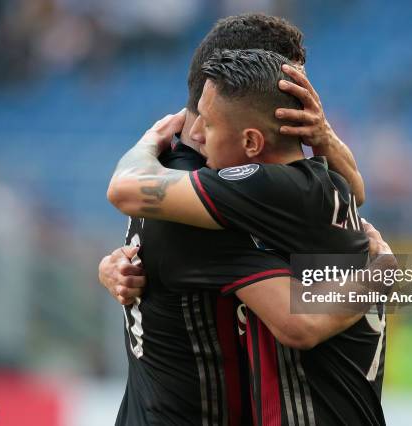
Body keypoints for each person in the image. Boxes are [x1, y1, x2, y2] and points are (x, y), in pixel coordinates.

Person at [102, 14, 379, 426]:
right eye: (290, 89)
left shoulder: (204, 182)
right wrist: (381, 274)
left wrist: (325, 136)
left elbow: (352, 193)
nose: (297, 106)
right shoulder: (208, 200)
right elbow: (298, 323)